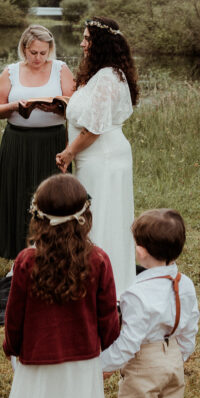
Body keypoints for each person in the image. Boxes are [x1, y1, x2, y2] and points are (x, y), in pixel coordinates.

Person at [3, 174, 120, 398]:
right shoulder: (98, 260)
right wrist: (104, 343)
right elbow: (107, 314)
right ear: (85, 217)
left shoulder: (27, 260)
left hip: (37, 357)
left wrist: (13, 347)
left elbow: (14, 315)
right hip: (82, 358)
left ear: (37, 217)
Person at [99, 208, 199, 398]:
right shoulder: (186, 284)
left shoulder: (136, 293)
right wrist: (182, 356)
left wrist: (101, 364)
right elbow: (190, 325)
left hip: (144, 364)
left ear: (140, 252)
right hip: (174, 358)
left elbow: (129, 343)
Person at [55, 17, 139, 296]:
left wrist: (68, 153)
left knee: (102, 216)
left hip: (103, 157)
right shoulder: (101, 74)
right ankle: (94, 277)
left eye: (87, 38)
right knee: (95, 213)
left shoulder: (106, 78)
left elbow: (94, 129)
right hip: (97, 155)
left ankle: (102, 284)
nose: (82, 43)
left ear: (100, 44)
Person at [0, 24, 76, 259]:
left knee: (52, 196)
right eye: (33, 52)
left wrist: (59, 105)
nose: (38, 58)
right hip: (18, 142)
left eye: (43, 52)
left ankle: (54, 249)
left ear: (50, 50)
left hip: (52, 142)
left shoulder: (61, 69)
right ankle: (16, 251)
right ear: (24, 48)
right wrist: (14, 106)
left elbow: (75, 105)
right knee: (18, 193)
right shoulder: (11, 71)